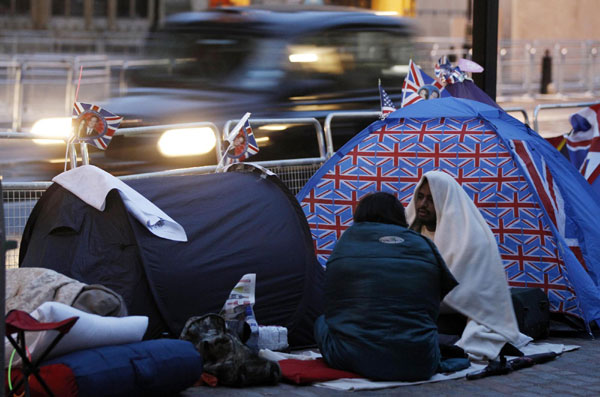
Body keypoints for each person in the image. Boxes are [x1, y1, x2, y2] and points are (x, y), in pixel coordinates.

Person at [314, 192, 465, 381]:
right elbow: (435, 299)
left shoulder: (347, 241)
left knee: (321, 321)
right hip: (420, 362)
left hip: (353, 358)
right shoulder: (423, 244)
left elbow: (332, 303)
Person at [406, 171, 532, 361]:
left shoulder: (471, 238)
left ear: (445, 201)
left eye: (431, 199)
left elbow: (468, 292)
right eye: (420, 197)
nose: (422, 205)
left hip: (460, 310)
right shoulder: (412, 232)